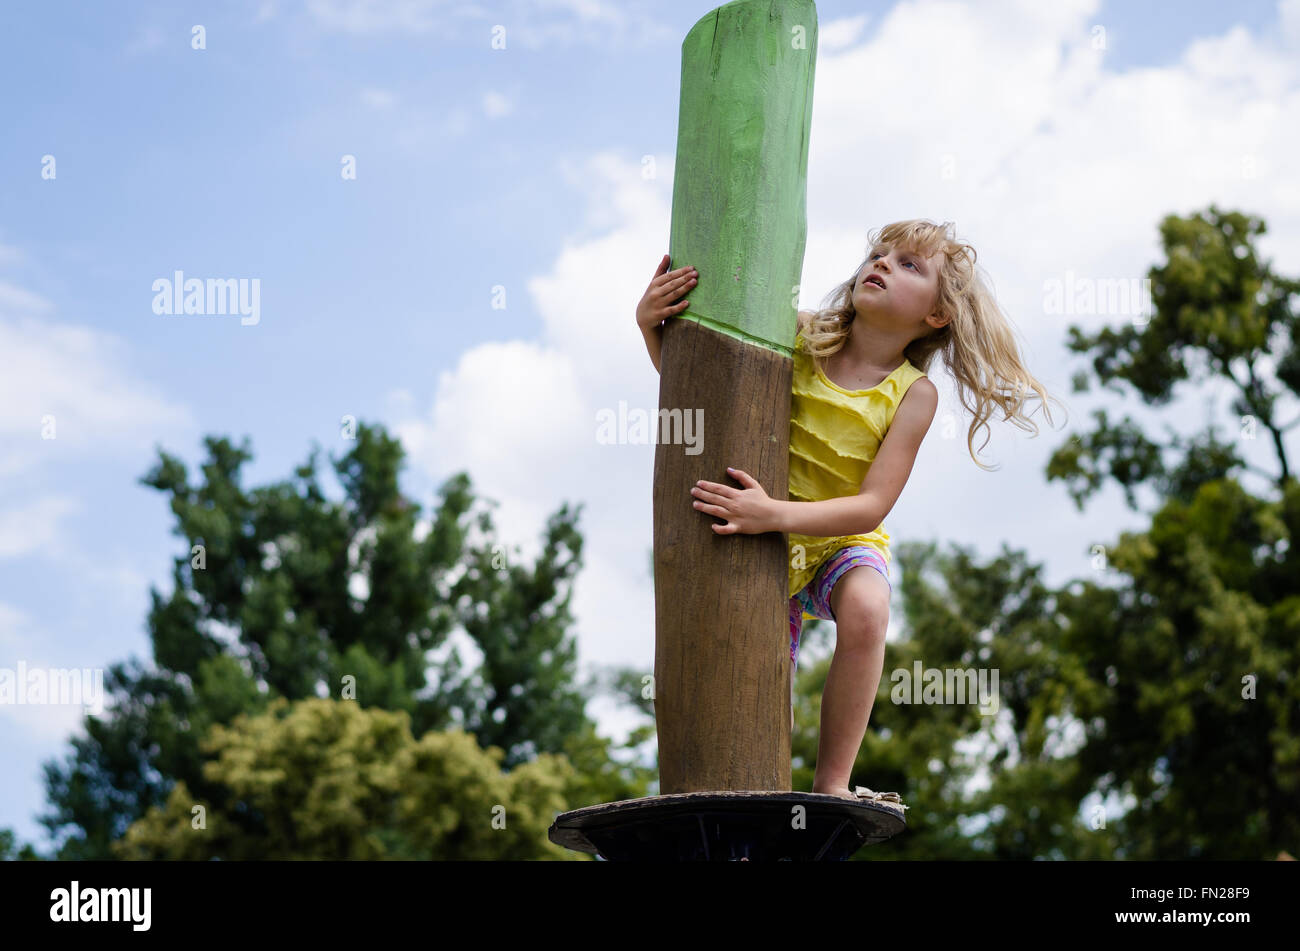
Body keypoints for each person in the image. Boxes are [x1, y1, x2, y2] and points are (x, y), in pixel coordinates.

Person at [634, 219, 1064, 800]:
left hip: (838, 540)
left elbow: (870, 506)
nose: (882, 263)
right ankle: (761, 798)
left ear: (938, 314)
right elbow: (705, 397)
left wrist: (774, 514)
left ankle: (834, 783)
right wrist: (649, 327)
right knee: (756, 691)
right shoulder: (804, 335)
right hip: (764, 541)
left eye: (909, 264)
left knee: (868, 610)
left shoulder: (913, 393)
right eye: (878, 254)